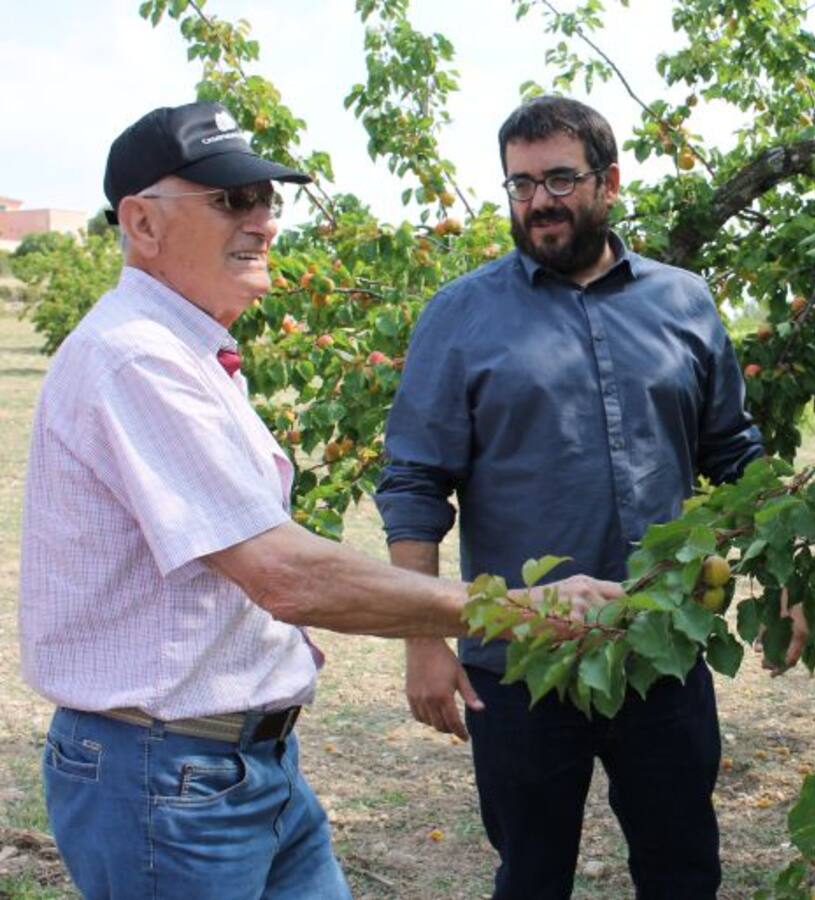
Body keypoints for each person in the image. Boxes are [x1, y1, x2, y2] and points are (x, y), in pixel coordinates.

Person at [18, 100, 621, 900]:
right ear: (142, 223)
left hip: (237, 771)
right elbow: (283, 574)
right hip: (167, 785)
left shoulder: (188, 352)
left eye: (268, 200)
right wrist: (517, 610)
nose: (264, 222)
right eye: (232, 200)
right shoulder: (135, 361)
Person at [377, 95, 807, 900]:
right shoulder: (460, 317)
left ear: (609, 182)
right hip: (520, 658)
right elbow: (413, 482)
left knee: (683, 869)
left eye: (560, 178)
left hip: (661, 646)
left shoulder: (684, 302)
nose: (538, 201)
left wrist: (785, 582)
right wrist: (424, 637)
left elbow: (736, 454)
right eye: (520, 184)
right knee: (531, 876)